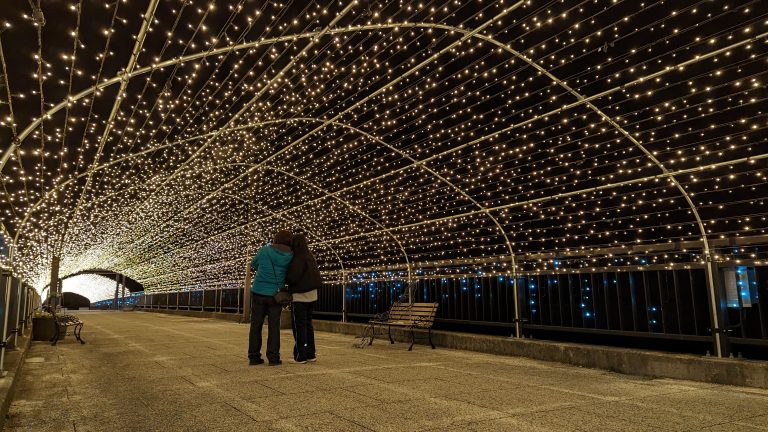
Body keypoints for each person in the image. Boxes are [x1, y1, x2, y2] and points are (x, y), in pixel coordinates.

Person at [248, 229, 293, 366]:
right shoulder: (290, 255)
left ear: (275, 239)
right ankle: (273, 358)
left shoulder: (264, 250)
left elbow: (253, 264)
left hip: (259, 292)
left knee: (256, 325)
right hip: (276, 295)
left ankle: (254, 357)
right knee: (274, 327)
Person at [285, 233, 322, 364]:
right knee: (308, 325)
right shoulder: (310, 256)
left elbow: (292, 277)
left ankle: (301, 355)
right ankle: (311, 354)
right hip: (312, 295)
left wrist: (287, 278)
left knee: (299, 326)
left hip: (300, 296)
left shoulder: (297, 257)